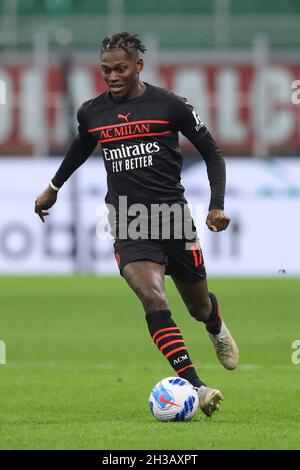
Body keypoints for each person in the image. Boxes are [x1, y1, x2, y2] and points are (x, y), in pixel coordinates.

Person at [35, 32, 239, 418]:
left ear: (139, 66)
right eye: (105, 70)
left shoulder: (171, 105)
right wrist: (53, 187)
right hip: (127, 219)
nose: (112, 76)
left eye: (120, 69)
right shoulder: (92, 112)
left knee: (197, 307)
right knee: (152, 297)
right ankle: (197, 386)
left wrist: (216, 206)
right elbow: (82, 144)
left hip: (173, 219)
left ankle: (215, 326)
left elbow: (213, 154)